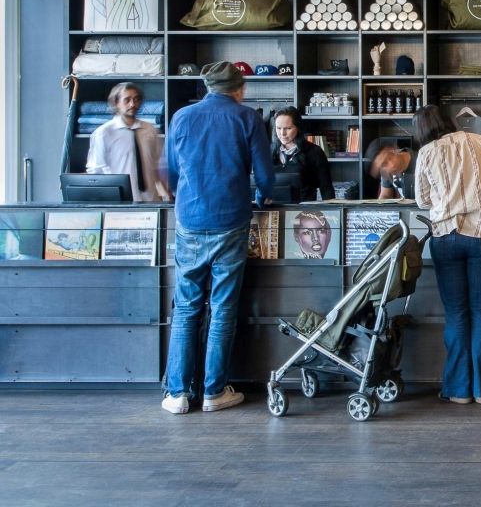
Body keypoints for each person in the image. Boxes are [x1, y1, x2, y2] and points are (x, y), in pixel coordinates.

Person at [162, 61, 273, 414]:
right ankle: (213, 391)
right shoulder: (248, 118)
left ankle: (177, 394)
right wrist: (259, 198)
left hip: (190, 220)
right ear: (239, 88)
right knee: (223, 308)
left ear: (207, 86)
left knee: (186, 307)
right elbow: (266, 177)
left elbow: (171, 170)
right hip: (231, 220)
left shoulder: (181, 117)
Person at [413, 104, 481, 404]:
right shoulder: (479, 141)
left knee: (457, 314)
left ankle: (458, 391)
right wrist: (479, 188)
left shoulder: (426, 152)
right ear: (448, 121)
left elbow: (421, 200)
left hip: (445, 236)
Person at [85, 82, 164, 202]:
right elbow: (96, 171)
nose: (133, 104)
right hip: (119, 202)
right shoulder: (103, 133)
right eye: (127, 100)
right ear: (116, 103)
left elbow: (157, 166)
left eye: (136, 99)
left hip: (150, 200)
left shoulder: (150, 130)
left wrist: (164, 194)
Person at [271, 107, 334, 201]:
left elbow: (326, 189)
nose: (282, 133)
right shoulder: (266, 151)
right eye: (278, 128)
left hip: (303, 211)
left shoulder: (315, 152)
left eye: (288, 128)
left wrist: (331, 214)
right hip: (274, 210)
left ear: (298, 128)